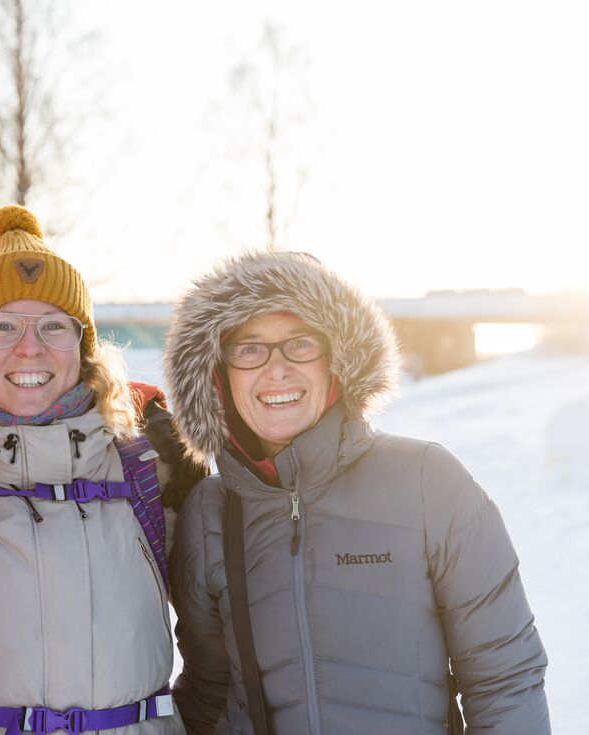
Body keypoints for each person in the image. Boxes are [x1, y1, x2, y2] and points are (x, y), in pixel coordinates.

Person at [162, 250, 549, 735]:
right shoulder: (210, 511)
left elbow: (505, 679)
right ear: (219, 374)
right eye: (250, 348)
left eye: (301, 344)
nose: (276, 370)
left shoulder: (427, 480)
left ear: (337, 360)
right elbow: (209, 691)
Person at [0, 205, 186, 735]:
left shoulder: (154, 463)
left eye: (53, 327)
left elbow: (222, 630)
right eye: (3, 327)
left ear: (83, 348)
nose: (30, 348)